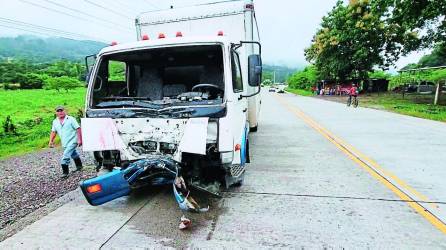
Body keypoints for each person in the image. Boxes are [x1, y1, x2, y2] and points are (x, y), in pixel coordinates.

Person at [48, 106, 83, 178]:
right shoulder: (55, 121)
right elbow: (53, 132)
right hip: (65, 142)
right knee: (73, 153)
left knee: (66, 155)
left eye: (61, 110)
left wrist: (80, 139)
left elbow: (78, 128)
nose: (60, 112)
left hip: (73, 140)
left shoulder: (71, 119)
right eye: (58, 111)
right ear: (56, 112)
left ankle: (65, 172)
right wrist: (51, 141)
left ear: (65, 111)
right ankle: (79, 166)